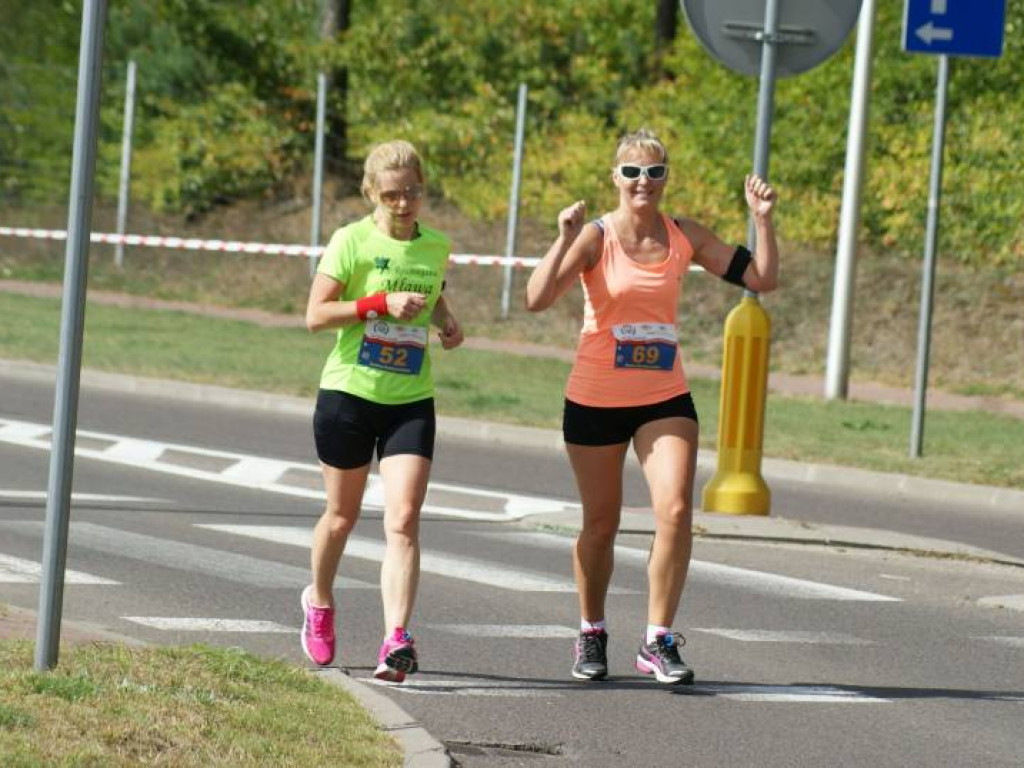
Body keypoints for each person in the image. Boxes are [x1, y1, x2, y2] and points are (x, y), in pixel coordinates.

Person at [525, 128, 779, 685]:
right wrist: (562, 238)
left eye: (655, 172)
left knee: (676, 511)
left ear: (666, 180)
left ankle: (658, 639)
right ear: (616, 178)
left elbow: (762, 277)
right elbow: (537, 299)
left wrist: (761, 218)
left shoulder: (682, 234)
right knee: (600, 525)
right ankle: (592, 631)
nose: (645, 182)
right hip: (594, 398)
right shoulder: (595, 238)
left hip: (663, 396)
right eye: (634, 172)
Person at [300, 139, 464, 682]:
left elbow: (429, 288)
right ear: (371, 192)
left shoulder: (435, 245)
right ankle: (319, 601)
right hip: (349, 394)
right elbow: (316, 315)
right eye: (391, 194)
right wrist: (377, 304)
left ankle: (396, 638)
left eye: (412, 192)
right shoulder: (351, 241)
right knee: (342, 518)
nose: (402, 203)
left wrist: (444, 320)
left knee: (404, 520)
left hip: (409, 400)